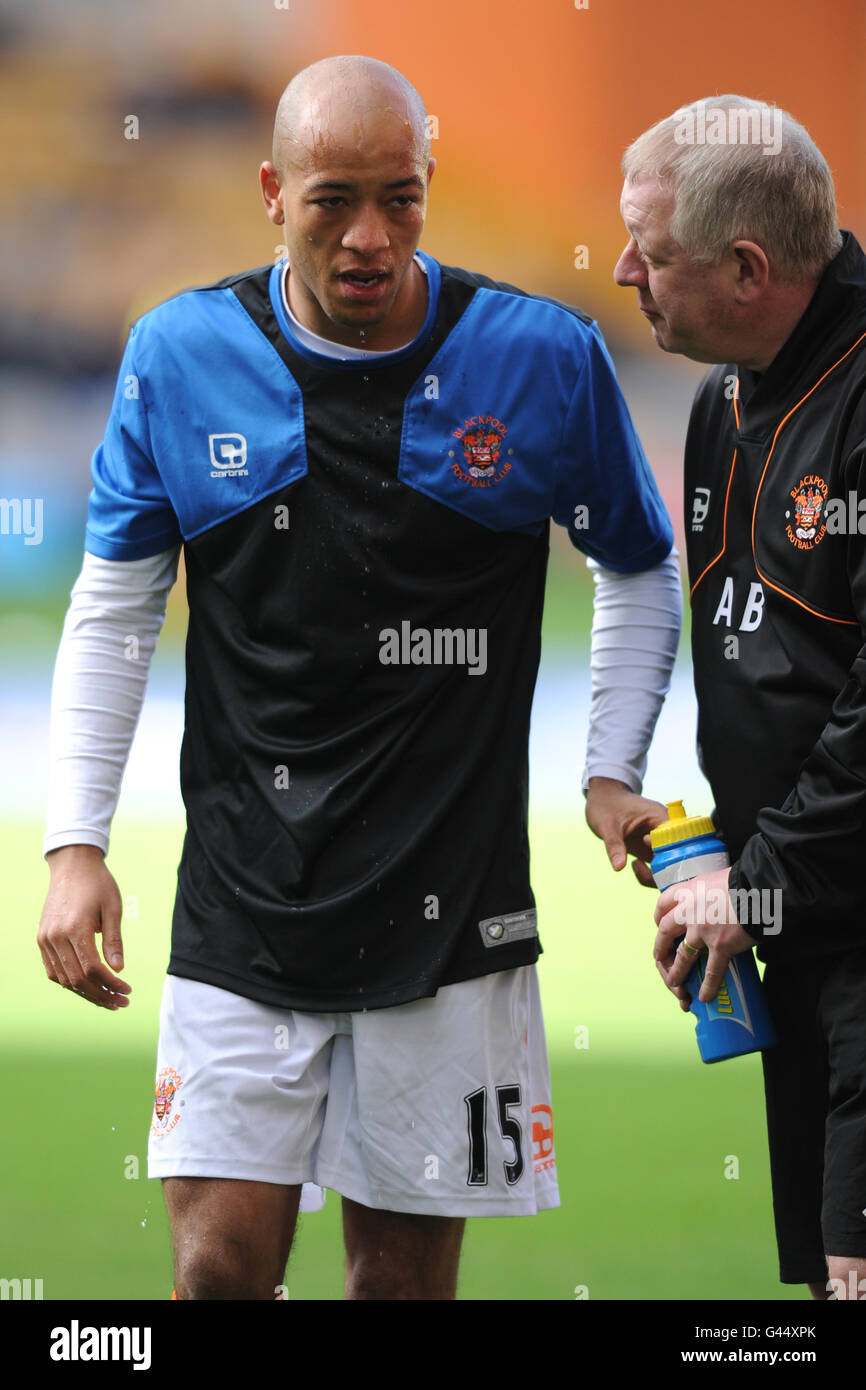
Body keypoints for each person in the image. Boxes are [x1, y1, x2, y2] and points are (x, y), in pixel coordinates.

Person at [37, 54, 680, 1301]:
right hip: (242, 906)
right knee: (217, 1275)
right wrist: (76, 842)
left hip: (453, 922)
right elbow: (113, 609)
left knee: (397, 1293)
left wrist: (610, 764)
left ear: (430, 188)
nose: (369, 237)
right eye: (334, 199)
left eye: (400, 197)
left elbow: (640, 567)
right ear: (273, 192)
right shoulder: (179, 353)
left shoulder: (538, 356)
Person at [614, 93, 866, 1301]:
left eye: (648, 254)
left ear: (747, 266)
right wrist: (718, 860)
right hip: (794, 933)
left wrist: (758, 876)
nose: (619, 274)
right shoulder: (722, 403)